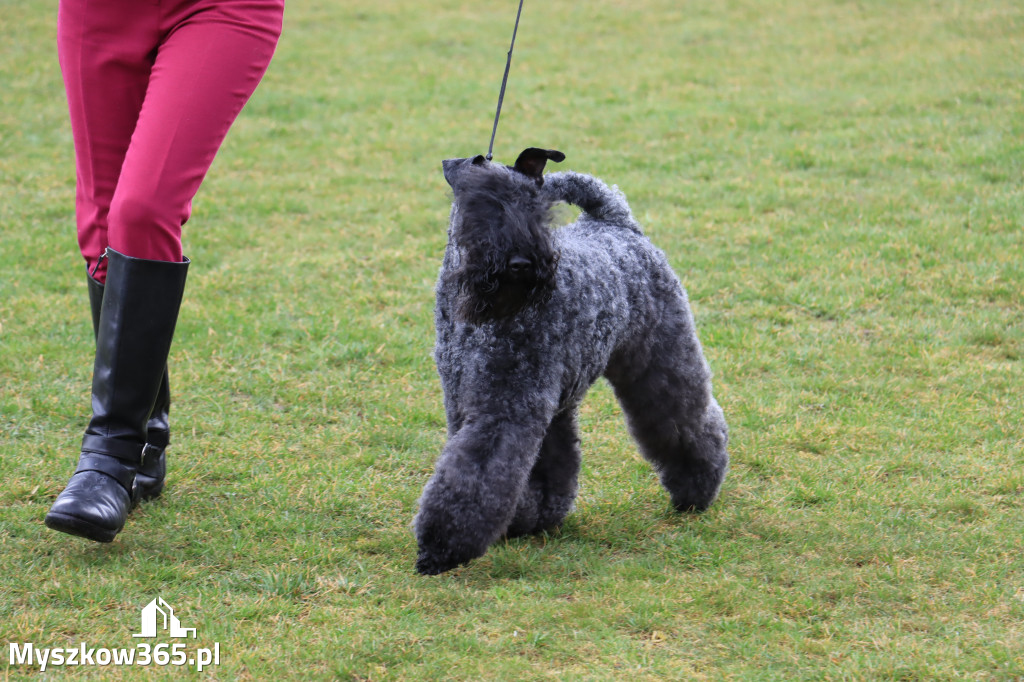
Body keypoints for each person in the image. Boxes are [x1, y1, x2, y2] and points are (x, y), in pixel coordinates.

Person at [45, 0, 285, 542]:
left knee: (143, 209)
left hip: (219, 9)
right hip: (98, 13)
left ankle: (107, 458)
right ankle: (146, 440)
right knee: (102, 229)